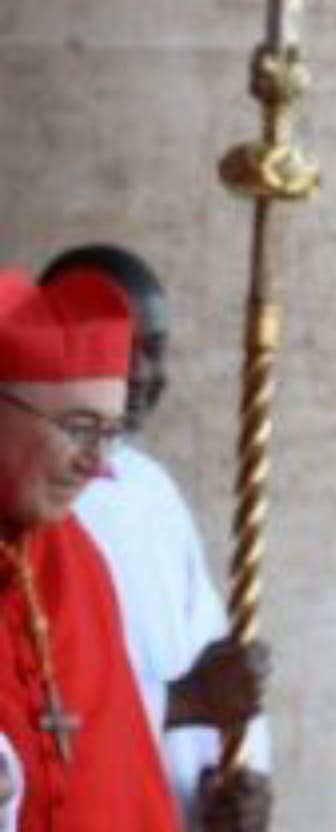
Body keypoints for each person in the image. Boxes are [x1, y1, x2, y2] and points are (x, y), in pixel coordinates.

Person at [41, 247, 273, 832]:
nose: (141, 372)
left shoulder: (151, 491)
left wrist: (230, 782)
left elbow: (212, 663)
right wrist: (183, 701)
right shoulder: (28, 499)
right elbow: (30, 712)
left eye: (155, 348)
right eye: (120, 345)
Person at [0, 269, 178, 830]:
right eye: (79, 428)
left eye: (110, 433)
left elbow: (128, 781)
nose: (98, 464)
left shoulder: (78, 561)